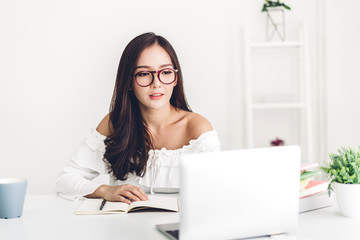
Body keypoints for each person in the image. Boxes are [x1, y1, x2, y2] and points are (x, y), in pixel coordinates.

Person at [55, 32, 221, 203]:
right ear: (128, 82)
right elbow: (65, 181)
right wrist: (106, 190)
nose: (156, 83)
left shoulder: (196, 127)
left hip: (178, 227)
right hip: (123, 227)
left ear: (175, 78)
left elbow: (217, 189)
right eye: (143, 74)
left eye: (165, 72)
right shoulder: (115, 124)